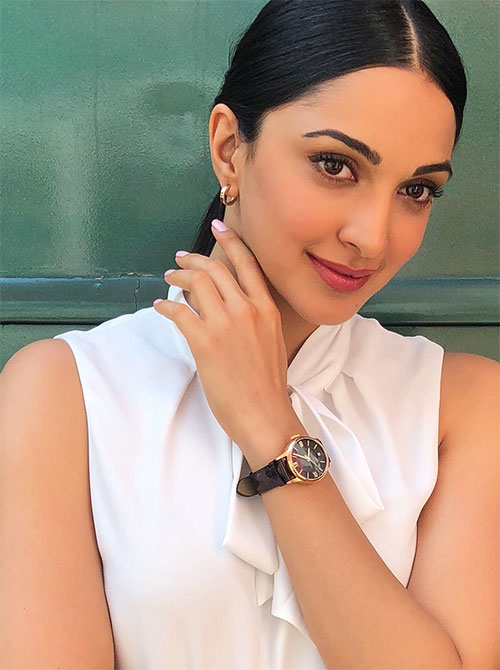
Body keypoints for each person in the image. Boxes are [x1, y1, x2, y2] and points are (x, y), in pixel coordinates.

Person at [1, 0, 498, 668]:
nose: (372, 237)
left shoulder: (463, 407)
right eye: (335, 165)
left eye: (416, 190)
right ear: (230, 149)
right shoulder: (65, 393)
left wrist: (271, 428)